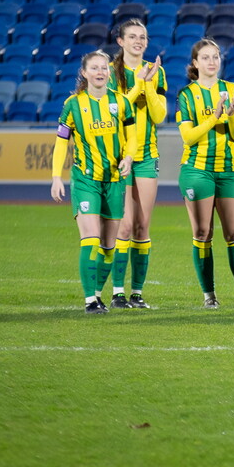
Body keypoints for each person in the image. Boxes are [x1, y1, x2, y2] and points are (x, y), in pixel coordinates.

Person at [50, 50, 136, 314]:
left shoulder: (121, 103)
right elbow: (61, 143)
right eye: (94, 68)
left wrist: (129, 157)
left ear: (108, 73)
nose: (100, 72)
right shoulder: (73, 105)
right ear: (84, 73)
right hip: (85, 179)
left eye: (103, 68)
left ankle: (98, 294)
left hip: (114, 181)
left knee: (109, 246)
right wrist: (56, 177)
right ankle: (90, 300)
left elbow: (132, 137)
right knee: (90, 238)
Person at [175, 38, 234, 310]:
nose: (212, 62)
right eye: (206, 57)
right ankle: (209, 295)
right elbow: (188, 137)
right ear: (195, 63)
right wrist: (214, 117)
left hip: (230, 170)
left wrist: (232, 115)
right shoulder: (187, 95)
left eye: (216, 57)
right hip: (197, 170)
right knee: (202, 232)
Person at [107, 19, 166, 309]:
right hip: (119, 156)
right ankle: (118, 292)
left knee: (142, 227)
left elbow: (159, 116)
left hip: (147, 156)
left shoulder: (159, 73)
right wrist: (138, 83)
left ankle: (137, 293)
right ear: (121, 41)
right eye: (132, 37)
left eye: (142, 37)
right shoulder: (110, 73)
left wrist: (149, 83)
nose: (138, 41)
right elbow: (115, 112)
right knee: (125, 226)